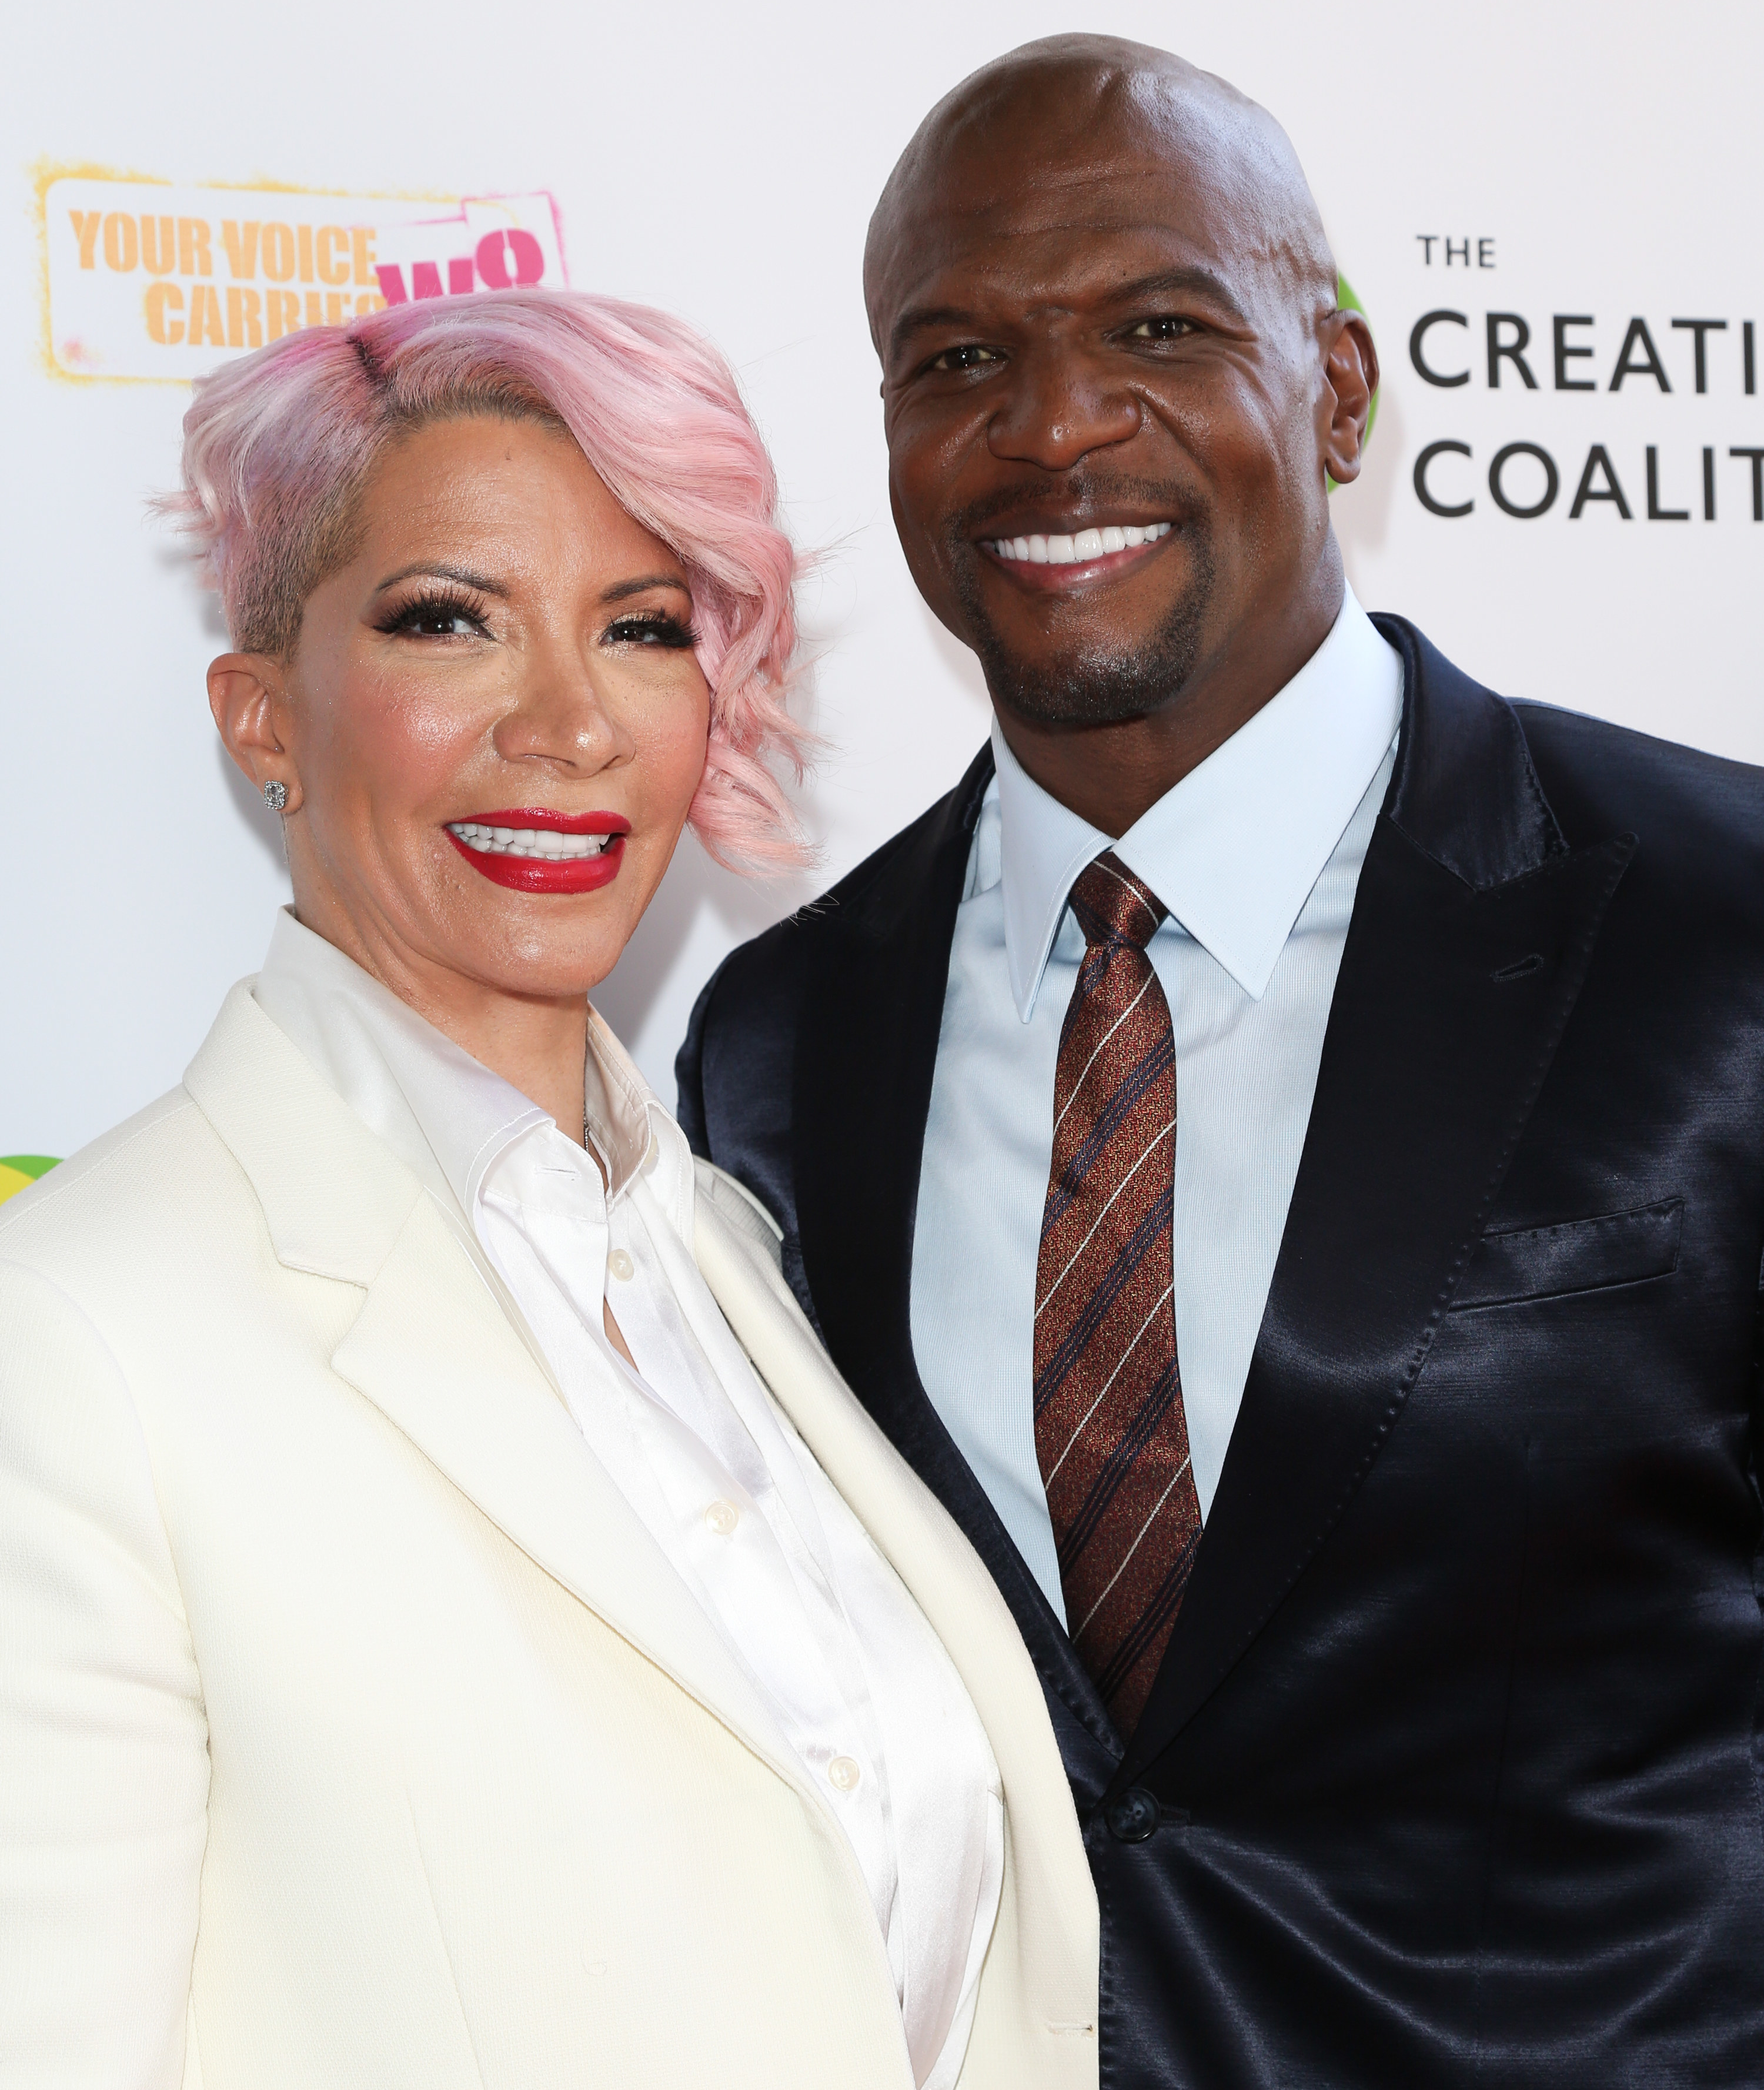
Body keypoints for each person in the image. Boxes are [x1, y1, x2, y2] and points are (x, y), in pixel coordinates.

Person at [678, 34, 1764, 2087]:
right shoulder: (781, 1038)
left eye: (1157, 326)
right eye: (958, 360)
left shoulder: (1718, 921)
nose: (1055, 427)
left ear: (1338, 382)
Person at [0, 290, 1101, 2090]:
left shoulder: (730, 1255)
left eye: (643, 628)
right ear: (263, 715)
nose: (571, 724)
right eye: (451, 621)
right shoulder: (72, 1340)